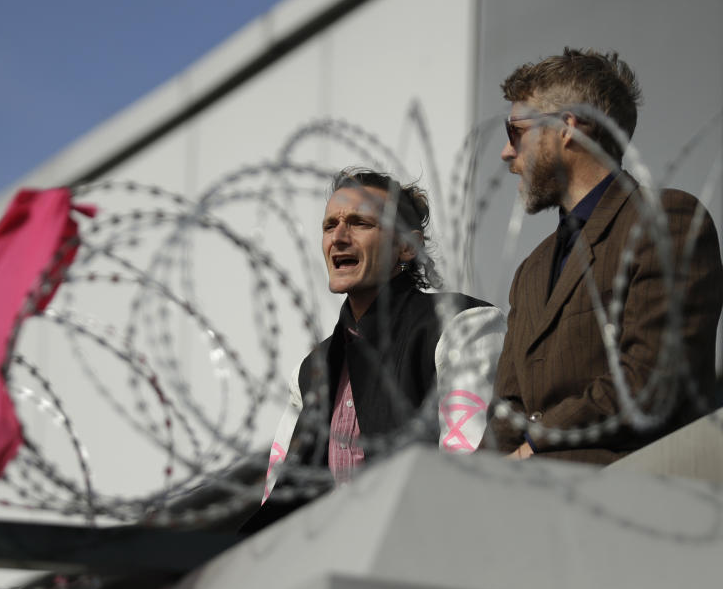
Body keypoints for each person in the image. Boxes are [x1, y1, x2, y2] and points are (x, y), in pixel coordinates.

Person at [481, 48, 723, 463]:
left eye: (516, 131)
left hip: (628, 497)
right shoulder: (531, 271)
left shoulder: (665, 222)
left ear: (567, 127)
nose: (507, 152)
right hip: (527, 504)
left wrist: (536, 442)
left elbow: (651, 380)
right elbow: (507, 411)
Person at [242, 168, 505, 531]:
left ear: (406, 246)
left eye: (360, 222)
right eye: (329, 225)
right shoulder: (310, 373)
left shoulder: (462, 326)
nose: (338, 237)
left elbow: (467, 465)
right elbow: (278, 499)